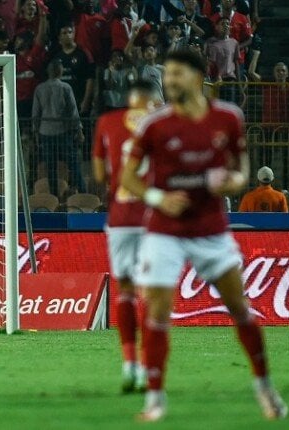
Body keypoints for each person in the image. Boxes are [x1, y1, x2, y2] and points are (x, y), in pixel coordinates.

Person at [120, 48, 287, 421]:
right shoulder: (154, 124)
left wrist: (233, 182)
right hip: (164, 230)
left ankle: (265, 387)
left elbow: (241, 170)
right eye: (167, 75)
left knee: (240, 308)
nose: (170, 81)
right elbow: (128, 176)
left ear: (196, 77)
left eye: (177, 74)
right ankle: (156, 398)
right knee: (158, 312)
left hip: (211, 228)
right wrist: (157, 196)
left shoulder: (228, 118)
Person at [92, 80, 162, 393]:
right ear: (150, 101)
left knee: (126, 292)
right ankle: (148, 369)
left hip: (120, 218)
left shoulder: (107, 122)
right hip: (152, 217)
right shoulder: (162, 125)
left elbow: (99, 175)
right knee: (149, 293)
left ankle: (129, 365)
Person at [32, 59, 85, 194]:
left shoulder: (40, 88)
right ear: (60, 71)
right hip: (62, 131)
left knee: (51, 167)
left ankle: (54, 195)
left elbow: (35, 114)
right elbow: (73, 111)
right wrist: (79, 130)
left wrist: (36, 133)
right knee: (73, 164)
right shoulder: (65, 87)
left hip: (45, 131)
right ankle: (83, 191)